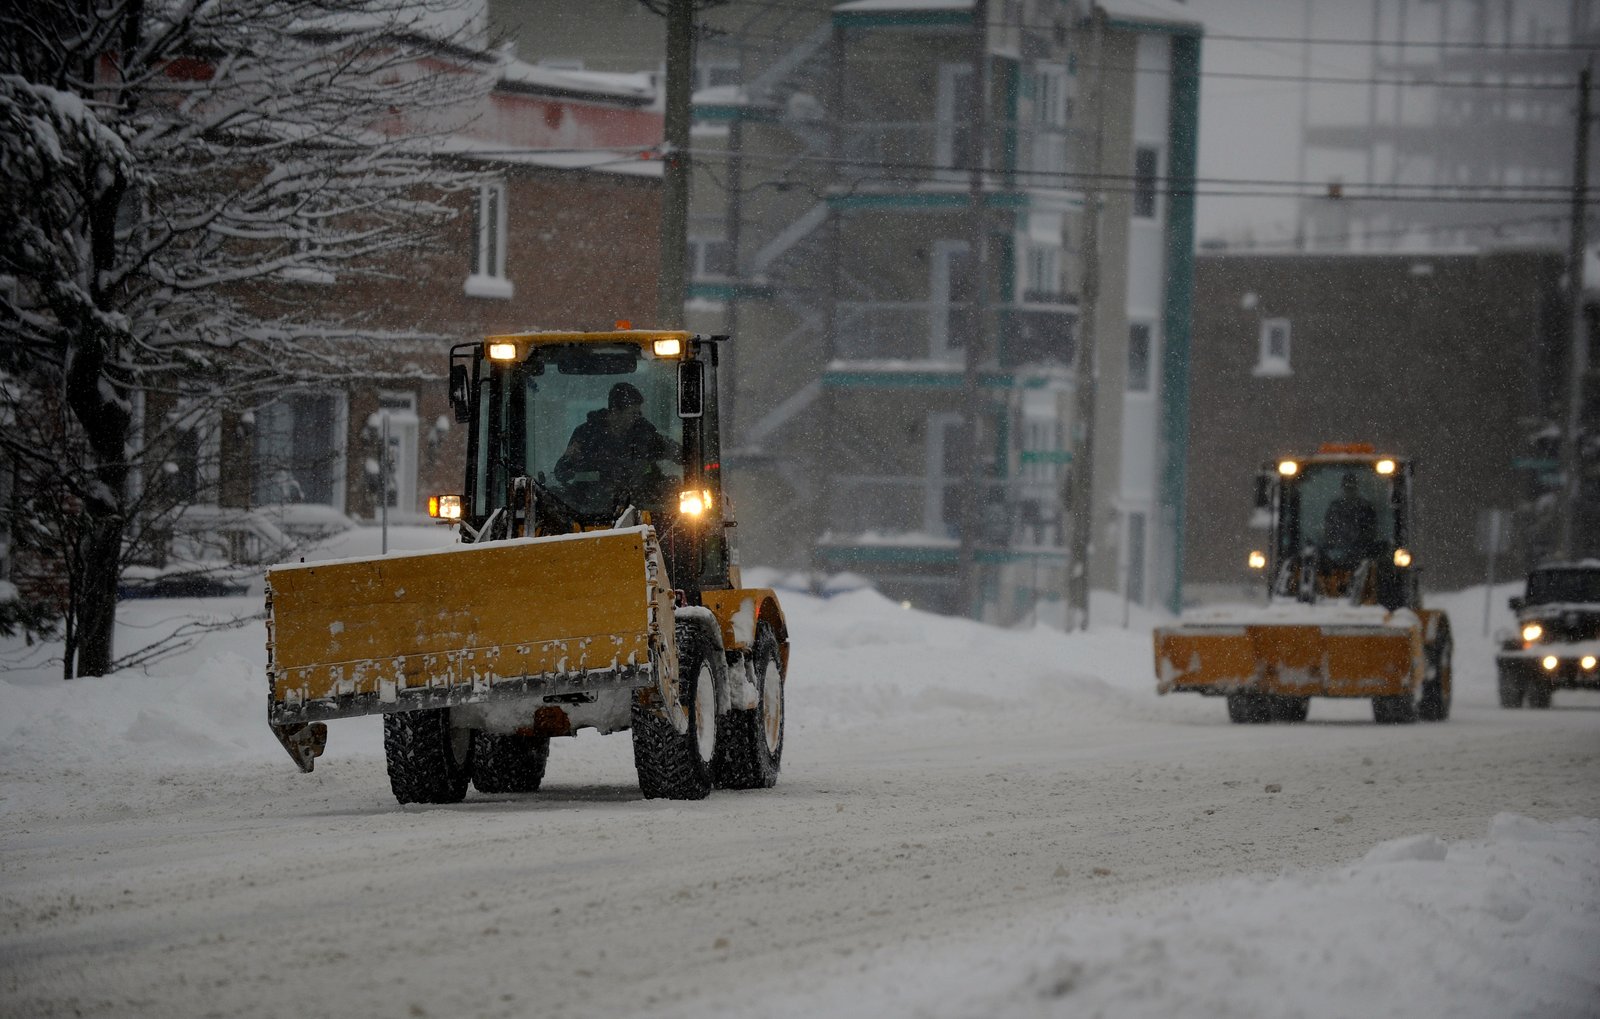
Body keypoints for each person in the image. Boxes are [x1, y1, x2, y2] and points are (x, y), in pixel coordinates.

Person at [554, 382, 680, 504]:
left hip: (640, 506)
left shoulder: (644, 435)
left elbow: (678, 453)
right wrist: (568, 459)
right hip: (592, 507)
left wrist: (692, 460)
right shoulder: (586, 435)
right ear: (615, 411)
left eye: (638, 413)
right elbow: (561, 474)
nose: (637, 417)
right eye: (632, 413)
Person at [1322, 471, 1379, 563]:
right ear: (1343, 488)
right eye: (1347, 487)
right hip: (1336, 555)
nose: (1349, 491)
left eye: (1352, 488)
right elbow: (1328, 531)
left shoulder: (1366, 508)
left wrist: (1361, 546)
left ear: (1356, 488)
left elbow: (1372, 532)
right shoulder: (1335, 508)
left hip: (1363, 554)